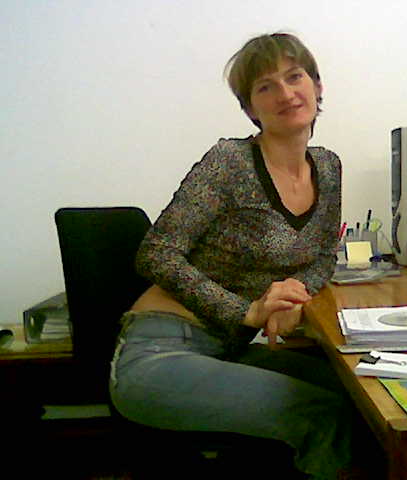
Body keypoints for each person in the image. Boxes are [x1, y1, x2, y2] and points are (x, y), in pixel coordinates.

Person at [109, 32, 357, 479]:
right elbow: (157, 253)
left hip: (229, 350)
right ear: (250, 108)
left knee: (358, 391)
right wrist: (247, 312)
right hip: (160, 352)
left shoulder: (328, 166)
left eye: (294, 77)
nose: (285, 93)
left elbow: (323, 256)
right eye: (265, 86)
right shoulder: (230, 161)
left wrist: (293, 295)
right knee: (324, 415)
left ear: (317, 86)